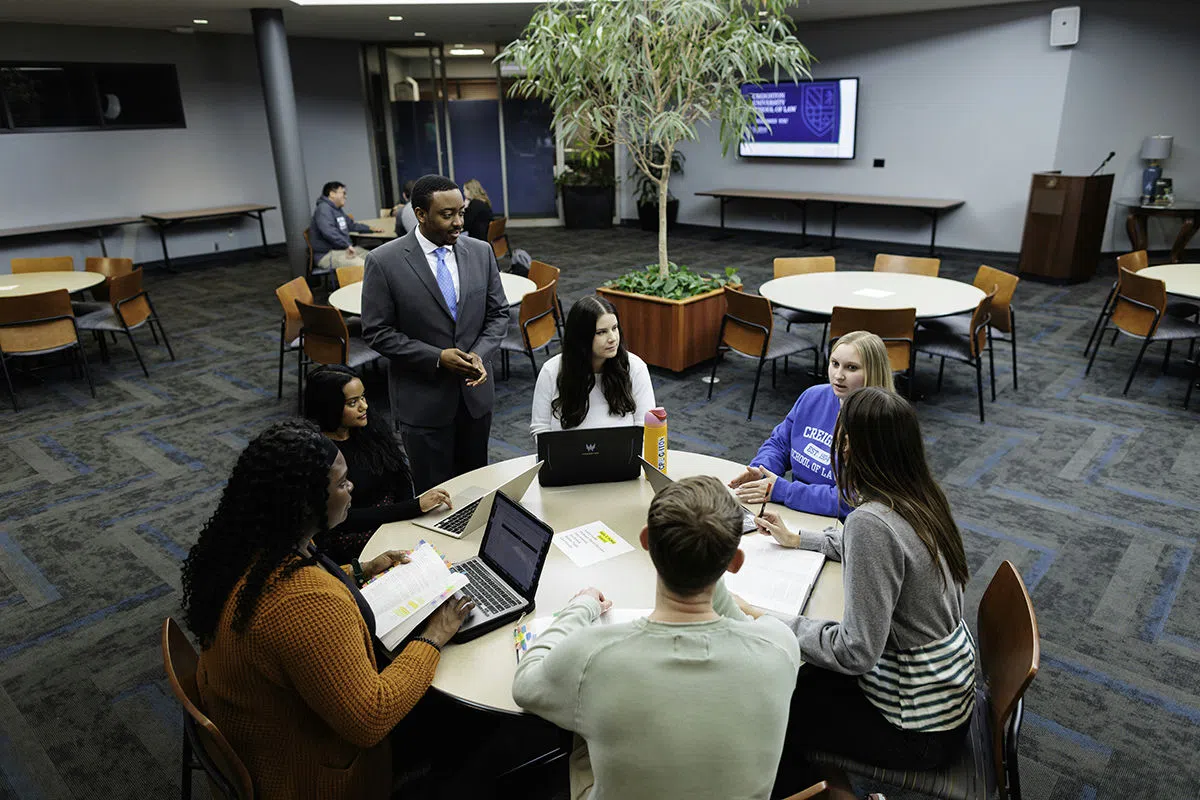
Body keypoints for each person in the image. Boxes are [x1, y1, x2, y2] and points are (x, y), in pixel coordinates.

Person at [181, 420, 473, 800]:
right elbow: (372, 718)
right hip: (313, 772)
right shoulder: (306, 602)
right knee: (468, 723)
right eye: (341, 483)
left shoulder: (246, 549)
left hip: (268, 726)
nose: (351, 489)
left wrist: (360, 569)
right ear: (304, 503)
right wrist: (435, 634)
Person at [512, 476, 802, 800]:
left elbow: (526, 684)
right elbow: (740, 624)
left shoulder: (592, 658)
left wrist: (580, 606)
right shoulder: (780, 645)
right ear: (735, 562)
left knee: (581, 732)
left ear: (646, 542)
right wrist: (707, 558)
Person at [755, 388, 975, 800]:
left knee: (768, 708)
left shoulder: (871, 523)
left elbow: (855, 652)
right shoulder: (920, 495)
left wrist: (766, 619)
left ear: (852, 448)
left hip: (915, 726)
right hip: (944, 694)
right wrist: (799, 538)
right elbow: (885, 547)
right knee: (798, 679)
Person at [361, 174, 509, 493]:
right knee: (434, 496)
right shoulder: (383, 261)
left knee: (476, 491)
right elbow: (377, 332)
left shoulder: (481, 252)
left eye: (461, 213)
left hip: (475, 399)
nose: (458, 222)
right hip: (423, 403)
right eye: (447, 215)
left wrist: (480, 355)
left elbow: (498, 314)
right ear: (420, 214)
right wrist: (437, 358)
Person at [729, 330, 894, 517]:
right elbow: (780, 444)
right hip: (793, 506)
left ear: (873, 371)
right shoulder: (813, 396)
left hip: (840, 525)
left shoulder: (881, 422)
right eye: (835, 364)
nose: (838, 375)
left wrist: (784, 491)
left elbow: (853, 500)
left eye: (852, 368)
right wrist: (762, 471)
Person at [302, 364, 452, 563]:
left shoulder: (368, 427)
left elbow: (399, 474)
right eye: (352, 402)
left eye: (363, 397)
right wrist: (412, 508)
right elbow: (343, 520)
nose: (364, 406)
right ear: (329, 406)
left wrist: (408, 516)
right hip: (354, 539)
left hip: (394, 519)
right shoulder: (318, 453)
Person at [530, 295, 656, 435]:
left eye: (614, 328)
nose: (613, 338)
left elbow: (646, 428)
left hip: (620, 457)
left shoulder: (635, 368)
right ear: (582, 337)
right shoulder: (551, 371)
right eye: (601, 332)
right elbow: (540, 428)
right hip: (568, 457)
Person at [310, 181, 382, 269]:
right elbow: (329, 232)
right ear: (332, 194)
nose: (345, 196)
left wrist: (369, 228)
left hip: (342, 249)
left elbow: (351, 225)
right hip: (327, 254)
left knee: (375, 259)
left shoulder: (337, 210)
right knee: (365, 266)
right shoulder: (323, 209)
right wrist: (347, 245)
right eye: (343, 193)